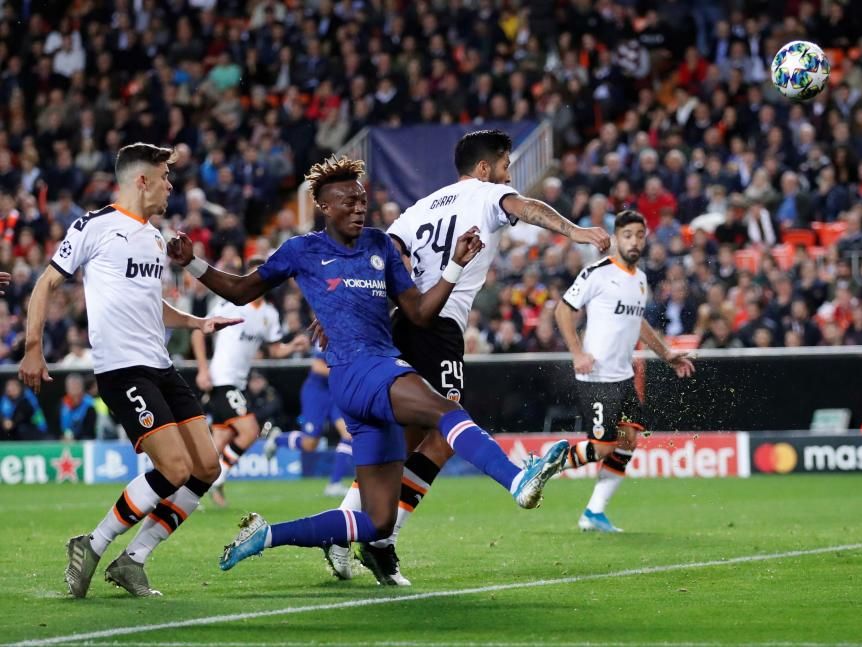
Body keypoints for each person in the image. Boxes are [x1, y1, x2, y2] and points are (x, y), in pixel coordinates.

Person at [167, 155, 570, 575]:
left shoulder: (380, 244)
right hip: (360, 369)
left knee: (377, 521)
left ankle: (266, 535)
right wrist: (192, 264)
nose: (359, 208)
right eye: (348, 202)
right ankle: (516, 479)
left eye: (362, 201)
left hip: (370, 377)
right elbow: (239, 289)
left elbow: (417, 313)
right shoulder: (302, 250)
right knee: (447, 413)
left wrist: (454, 265)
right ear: (324, 206)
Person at [329, 129, 610, 585]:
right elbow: (527, 208)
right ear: (485, 169)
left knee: (402, 445)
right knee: (444, 433)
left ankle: (345, 531)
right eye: (505, 167)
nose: (508, 177)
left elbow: (387, 258)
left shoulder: (419, 208)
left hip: (402, 323)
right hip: (438, 329)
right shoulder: (488, 195)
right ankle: (382, 541)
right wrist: (576, 231)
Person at [18, 143, 241, 598]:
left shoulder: (155, 238)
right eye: (165, 177)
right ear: (142, 181)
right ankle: (92, 543)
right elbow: (46, 282)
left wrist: (198, 322)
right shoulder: (94, 226)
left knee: (206, 467)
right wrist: (32, 348)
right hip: (122, 370)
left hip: (161, 366)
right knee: (174, 467)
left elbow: (150, 303)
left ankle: (134, 559)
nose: (171, 187)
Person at [554, 210, 695, 532]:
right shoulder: (598, 272)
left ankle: (593, 512)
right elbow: (562, 310)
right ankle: (550, 463)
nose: (634, 241)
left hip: (623, 375)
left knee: (628, 440)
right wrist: (577, 352)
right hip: (597, 375)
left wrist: (667, 354)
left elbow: (638, 322)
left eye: (639, 235)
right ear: (616, 238)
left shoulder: (641, 279)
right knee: (602, 446)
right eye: (627, 235)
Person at [191, 256, 311, 507]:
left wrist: (293, 346)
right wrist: (203, 369)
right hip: (222, 379)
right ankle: (217, 479)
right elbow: (198, 332)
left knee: (220, 441)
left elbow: (275, 351)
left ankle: (188, 490)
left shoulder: (268, 314)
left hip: (238, 383)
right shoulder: (230, 303)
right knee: (250, 430)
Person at [262, 348, 355, 498]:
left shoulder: (359, 342)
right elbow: (317, 366)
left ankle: (334, 484)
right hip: (317, 394)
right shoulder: (335, 336)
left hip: (336, 394)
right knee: (309, 444)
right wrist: (344, 376)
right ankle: (278, 439)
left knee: (349, 434)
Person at [60, 372, 97, 440]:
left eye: (76, 386)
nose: (74, 389)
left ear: (82, 387)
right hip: (65, 440)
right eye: (71, 386)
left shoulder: (90, 405)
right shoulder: (62, 404)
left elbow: (90, 431)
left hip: (86, 440)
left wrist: (74, 437)